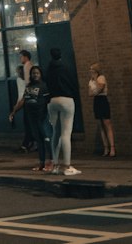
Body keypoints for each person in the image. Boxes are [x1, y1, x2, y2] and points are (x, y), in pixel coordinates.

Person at [9, 64, 52, 171]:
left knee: (47, 139)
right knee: (39, 140)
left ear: (41, 74)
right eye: (33, 73)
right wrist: (14, 112)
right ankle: (41, 163)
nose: (35, 75)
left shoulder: (44, 86)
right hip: (31, 117)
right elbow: (23, 100)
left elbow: (48, 101)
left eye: (37, 73)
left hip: (41, 117)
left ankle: (52, 162)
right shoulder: (28, 86)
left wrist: (49, 115)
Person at [46, 46, 81, 175]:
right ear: (60, 55)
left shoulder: (49, 70)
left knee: (56, 133)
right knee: (66, 134)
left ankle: (54, 165)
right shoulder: (66, 68)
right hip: (66, 99)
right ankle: (67, 166)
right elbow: (73, 84)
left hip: (52, 101)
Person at [88, 63, 115, 157]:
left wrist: (95, 80)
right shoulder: (90, 81)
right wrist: (95, 90)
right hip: (97, 101)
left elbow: (100, 88)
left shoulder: (101, 78)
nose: (90, 72)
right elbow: (90, 93)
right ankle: (105, 147)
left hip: (103, 100)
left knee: (107, 123)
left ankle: (112, 147)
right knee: (101, 124)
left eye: (92, 70)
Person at [13, 49, 35, 152]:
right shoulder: (30, 66)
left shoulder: (27, 66)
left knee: (28, 122)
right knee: (31, 122)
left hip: (29, 98)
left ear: (25, 57)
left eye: (21, 57)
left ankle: (27, 144)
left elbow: (27, 84)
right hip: (31, 97)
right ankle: (30, 143)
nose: (20, 58)